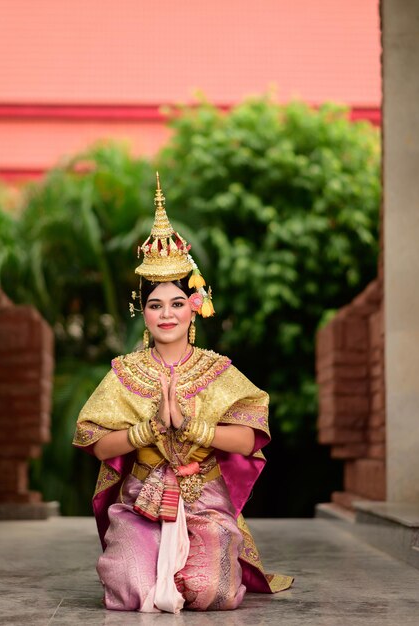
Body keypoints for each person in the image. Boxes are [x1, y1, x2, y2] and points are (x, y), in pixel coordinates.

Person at [73, 174, 293, 613]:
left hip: (204, 499)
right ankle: (148, 561)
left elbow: (250, 438)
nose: (166, 314)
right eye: (156, 305)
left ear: (194, 305)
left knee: (212, 592)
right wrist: (149, 429)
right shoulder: (124, 372)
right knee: (134, 592)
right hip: (142, 502)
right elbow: (97, 446)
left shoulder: (217, 370)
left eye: (176, 303)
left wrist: (192, 425)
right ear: (143, 311)